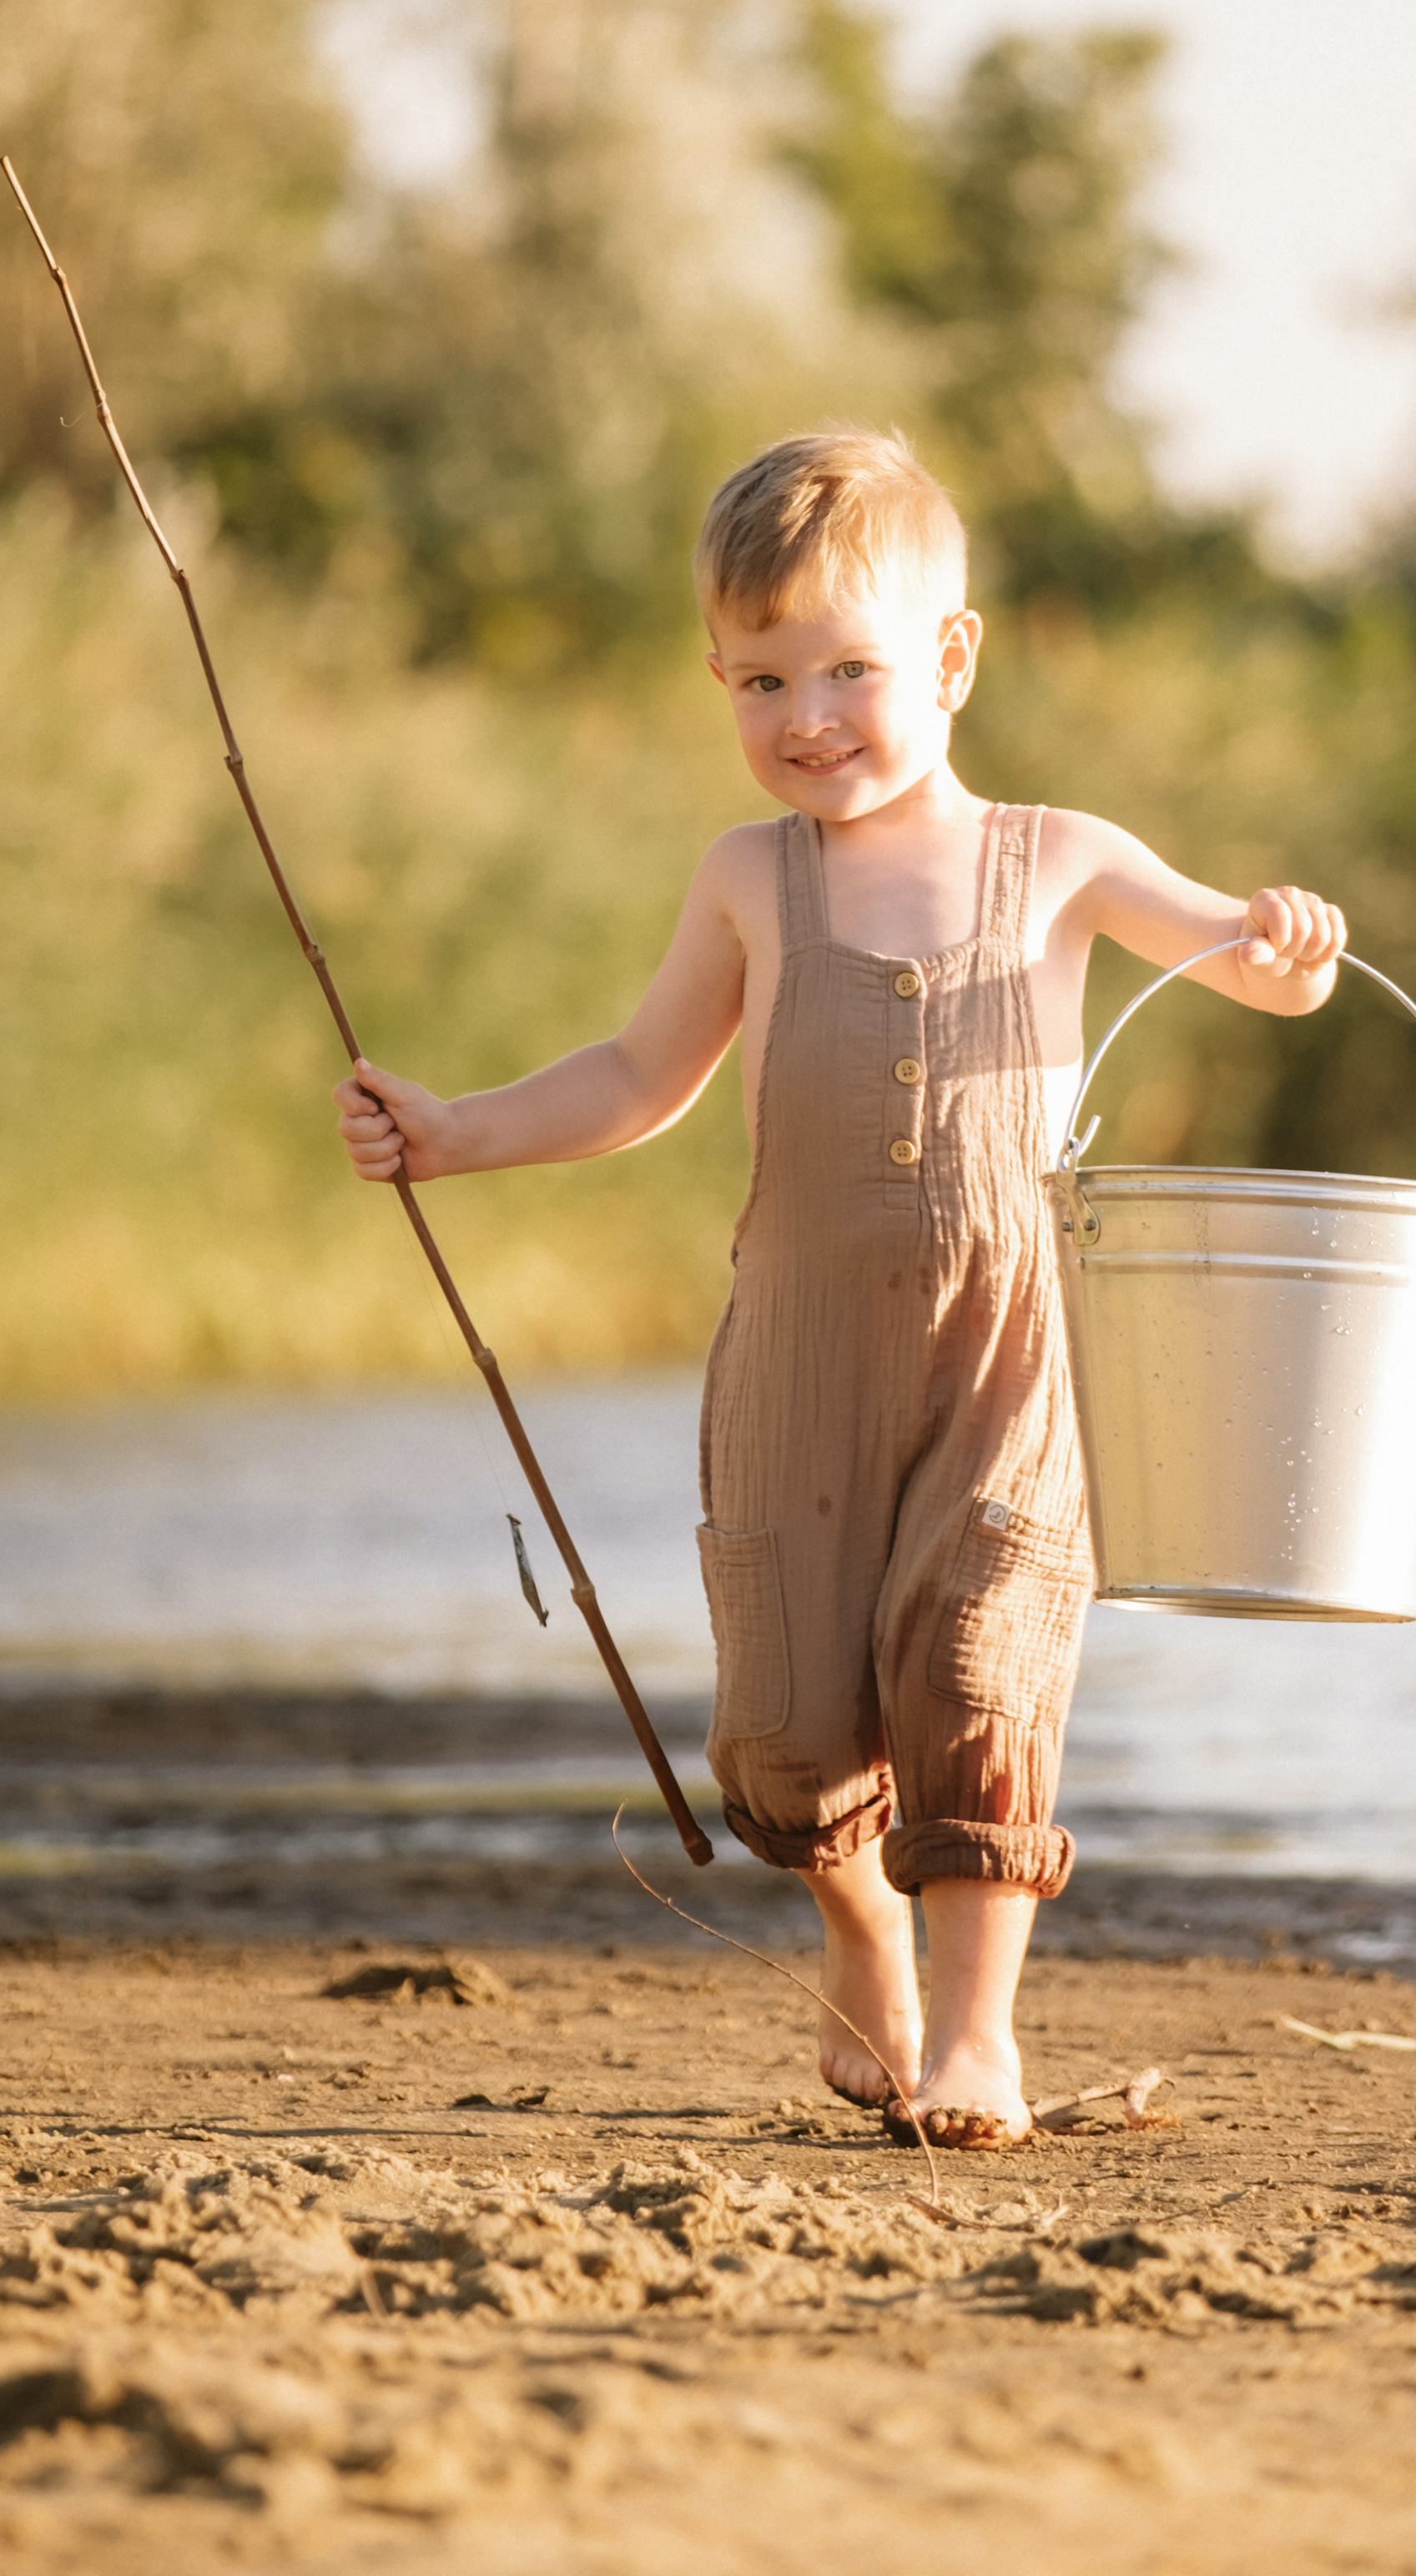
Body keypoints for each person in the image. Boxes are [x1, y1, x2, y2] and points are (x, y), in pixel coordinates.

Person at [335, 428, 1345, 2147]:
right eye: (759, 677)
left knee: (976, 1669)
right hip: (799, 1356)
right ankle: (856, 1927)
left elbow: (1240, 967)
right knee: (794, 1725)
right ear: (718, 680)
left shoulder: (1060, 857)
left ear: (949, 660)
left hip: (1013, 1358)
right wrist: (457, 1132)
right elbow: (634, 1076)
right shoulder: (749, 880)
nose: (805, 714)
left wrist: (1281, 948)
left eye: (848, 669)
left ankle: (975, 2041)